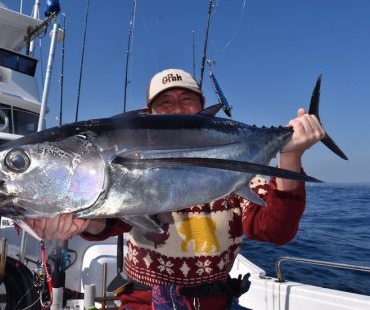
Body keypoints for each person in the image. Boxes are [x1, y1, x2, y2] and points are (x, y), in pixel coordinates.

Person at [25, 68, 325, 309]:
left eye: (187, 100)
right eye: (165, 103)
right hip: (145, 302)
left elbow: (275, 231)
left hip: (218, 302)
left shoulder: (235, 170)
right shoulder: (140, 169)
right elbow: (107, 221)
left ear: (202, 107)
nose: (177, 108)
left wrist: (291, 154)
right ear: (150, 114)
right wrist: (81, 218)